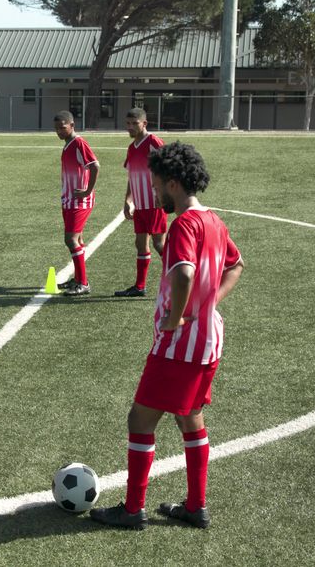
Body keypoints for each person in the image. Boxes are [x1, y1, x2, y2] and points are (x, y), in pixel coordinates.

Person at [90, 142, 244, 530]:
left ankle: (132, 509)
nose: (155, 192)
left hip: (180, 346)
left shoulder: (184, 225)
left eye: (157, 184)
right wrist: (208, 303)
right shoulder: (214, 221)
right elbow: (236, 265)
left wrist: (176, 318)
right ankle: (195, 505)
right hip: (209, 342)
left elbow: (185, 274)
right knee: (189, 417)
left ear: (173, 183)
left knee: (140, 420)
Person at [114, 108, 167, 298]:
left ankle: (181, 279)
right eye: (127, 123)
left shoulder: (153, 142)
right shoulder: (132, 147)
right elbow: (132, 175)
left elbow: (168, 167)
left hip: (154, 204)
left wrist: (162, 195)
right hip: (140, 205)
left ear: (144, 124)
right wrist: (128, 200)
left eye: (134, 123)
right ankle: (140, 286)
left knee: (159, 245)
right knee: (140, 244)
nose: (129, 127)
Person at [52, 110, 100, 296]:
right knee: (77, 240)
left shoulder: (79, 143)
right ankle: (79, 278)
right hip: (69, 200)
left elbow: (95, 165)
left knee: (71, 240)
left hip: (79, 201)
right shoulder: (68, 144)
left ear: (72, 125)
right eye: (56, 128)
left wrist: (87, 191)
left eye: (62, 128)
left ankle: (84, 283)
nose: (59, 131)